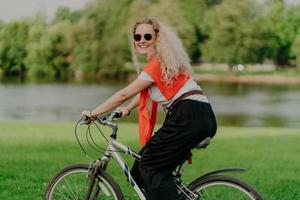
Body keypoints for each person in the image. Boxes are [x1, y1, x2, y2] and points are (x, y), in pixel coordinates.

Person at [81, 17, 217, 200]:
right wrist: (128, 109)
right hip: (201, 116)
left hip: (186, 117)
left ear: (158, 38)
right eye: (137, 37)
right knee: (140, 167)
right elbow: (147, 91)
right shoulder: (166, 63)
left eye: (147, 35)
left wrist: (94, 113)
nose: (142, 40)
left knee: (151, 167)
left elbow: (123, 94)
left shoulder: (156, 64)